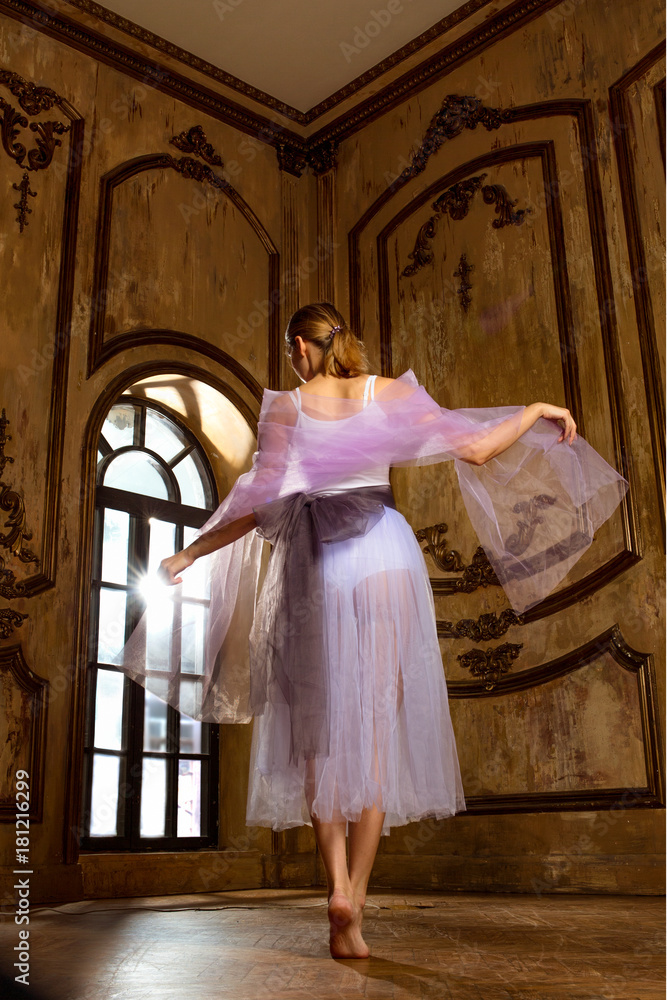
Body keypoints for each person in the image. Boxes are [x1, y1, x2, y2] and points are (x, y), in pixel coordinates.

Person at [146, 302, 624, 960]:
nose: (292, 360)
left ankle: (335, 885)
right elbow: (478, 448)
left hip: (317, 564)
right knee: (373, 730)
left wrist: (192, 552)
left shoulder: (285, 407)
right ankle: (357, 906)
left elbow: (258, 505)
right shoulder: (388, 391)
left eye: (293, 349)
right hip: (383, 555)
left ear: (302, 347)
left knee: (315, 729)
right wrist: (536, 409)